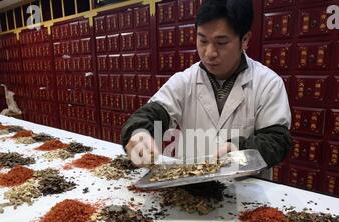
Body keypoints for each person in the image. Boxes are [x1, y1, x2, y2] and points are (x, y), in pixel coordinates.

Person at [121, 0, 292, 179]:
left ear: (245, 40)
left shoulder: (267, 83)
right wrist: (138, 132)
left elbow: (277, 140)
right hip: (191, 189)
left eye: (221, 42)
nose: (209, 53)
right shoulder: (185, 80)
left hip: (246, 191)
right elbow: (152, 113)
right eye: (202, 40)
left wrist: (239, 149)